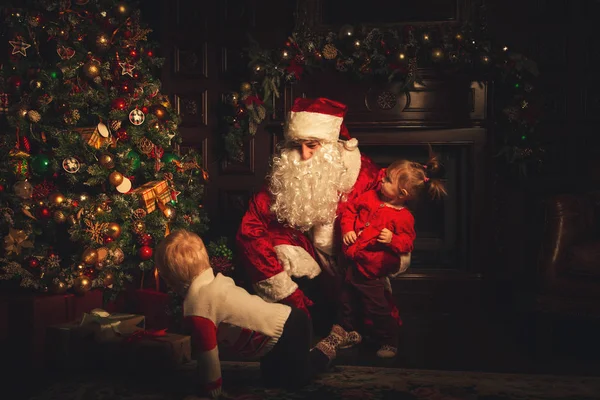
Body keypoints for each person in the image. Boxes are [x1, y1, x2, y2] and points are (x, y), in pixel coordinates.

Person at [236, 97, 384, 335]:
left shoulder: (363, 174)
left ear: (332, 144)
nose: (303, 155)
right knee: (284, 253)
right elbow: (251, 228)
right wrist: (285, 290)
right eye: (297, 145)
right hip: (310, 278)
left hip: (351, 267)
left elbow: (389, 219)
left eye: (312, 145)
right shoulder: (285, 175)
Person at [155, 229, 339, 398]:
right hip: (275, 333)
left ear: (169, 279)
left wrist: (212, 391)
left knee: (297, 379)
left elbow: (208, 356)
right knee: (271, 378)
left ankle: (323, 353)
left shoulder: (198, 307)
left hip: (290, 328)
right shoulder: (217, 282)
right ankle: (295, 360)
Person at [329, 150, 448, 359]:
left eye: (387, 179)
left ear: (402, 193)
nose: (380, 179)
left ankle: (389, 340)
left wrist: (392, 239)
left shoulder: (403, 218)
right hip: (351, 263)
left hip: (371, 270)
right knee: (346, 300)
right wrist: (347, 229)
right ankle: (349, 331)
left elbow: (407, 243)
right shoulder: (371, 197)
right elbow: (350, 211)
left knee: (377, 308)